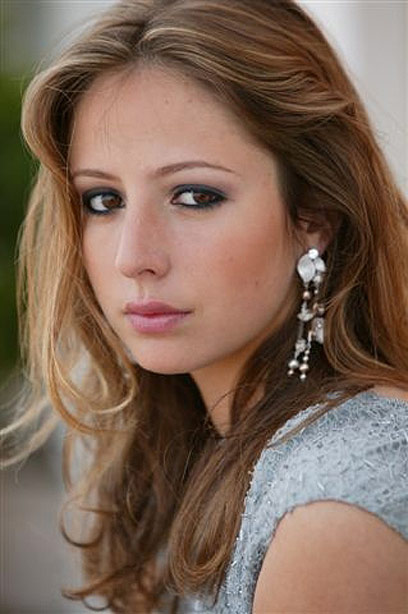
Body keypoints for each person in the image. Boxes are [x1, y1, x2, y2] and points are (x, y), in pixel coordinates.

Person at [4, 0, 408, 612]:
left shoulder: (336, 508)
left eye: (194, 195)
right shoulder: (197, 449)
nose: (133, 258)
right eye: (104, 200)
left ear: (314, 217)